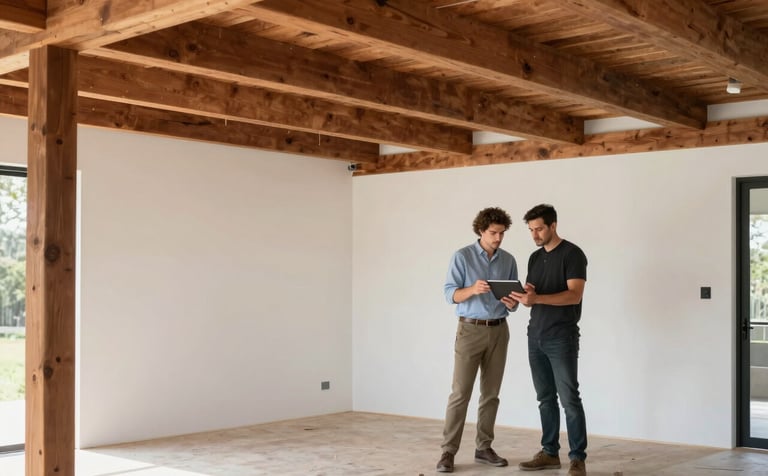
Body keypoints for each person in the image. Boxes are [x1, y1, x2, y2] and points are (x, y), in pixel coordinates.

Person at [436, 207, 520, 473]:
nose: (498, 238)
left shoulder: (508, 259)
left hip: (499, 330)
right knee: (460, 393)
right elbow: (450, 294)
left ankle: (484, 447)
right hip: (470, 330)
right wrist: (472, 289)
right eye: (493, 233)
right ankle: (448, 452)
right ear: (481, 231)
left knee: (491, 394)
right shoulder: (462, 256)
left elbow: (514, 301)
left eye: (502, 233)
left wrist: (511, 301)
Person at [511, 204, 588, 476]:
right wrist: (525, 296)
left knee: (569, 399)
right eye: (531, 230)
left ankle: (577, 458)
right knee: (545, 398)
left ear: (553, 225)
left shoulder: (573, 254)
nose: (535, 234)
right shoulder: (534, 257)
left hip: (562, 337)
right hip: (536, 336)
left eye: (539, 228)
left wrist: (538, 298)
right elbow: (534, 299)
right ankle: (549, 452)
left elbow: (574, 295)